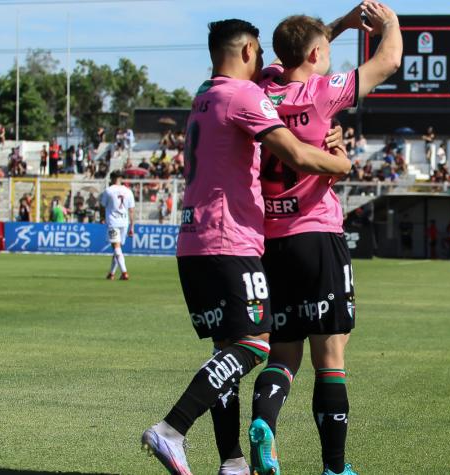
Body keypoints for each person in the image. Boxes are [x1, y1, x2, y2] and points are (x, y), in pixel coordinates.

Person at [140, 18, 350, 475]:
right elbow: (294, 153)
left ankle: (232, 462)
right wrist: (341, 161)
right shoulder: (246, 96)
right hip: (229, 238)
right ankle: (172, 428)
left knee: (227, 355)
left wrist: (342, 24)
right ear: (251, 50)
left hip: (193, 240)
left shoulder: (203, 93)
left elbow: (299, 52)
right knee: (256, 347)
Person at [248, 4, 400, 475]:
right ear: (317, 54)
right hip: (317, 233)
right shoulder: (323, 92)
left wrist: (340, 25)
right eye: (327, 50)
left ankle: (264, 423)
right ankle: (335, 467)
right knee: (330, 356)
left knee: (284, 353)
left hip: (269, 240)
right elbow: (388, 61)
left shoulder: (261, 87)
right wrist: (387, 23)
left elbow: (299, 50)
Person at [100, 171, 135, 280]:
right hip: (124, 222)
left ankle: (124, 272)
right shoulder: (128, 191)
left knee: (116, 247)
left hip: (113, 222)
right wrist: (132, 226)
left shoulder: (108, 191)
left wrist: (102, 217)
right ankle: (111, 273)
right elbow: (132, 210)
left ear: (111, 178)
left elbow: (102, 206)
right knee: (117, 248)